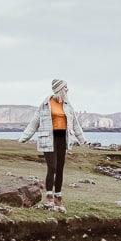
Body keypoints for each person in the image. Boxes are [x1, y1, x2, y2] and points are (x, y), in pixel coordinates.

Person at [18, 79, 88, 212]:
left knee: (60, 168)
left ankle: (58, 197)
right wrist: (24, 137)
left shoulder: (67, 105)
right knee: (52, 167)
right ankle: (49, 195)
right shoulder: (45, 104)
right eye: (65, 87)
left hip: (63, 138)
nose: (68, 90)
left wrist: (83, 140)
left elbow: (75, 124)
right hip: (48, 138)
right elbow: (34, 122)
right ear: (59, 89)